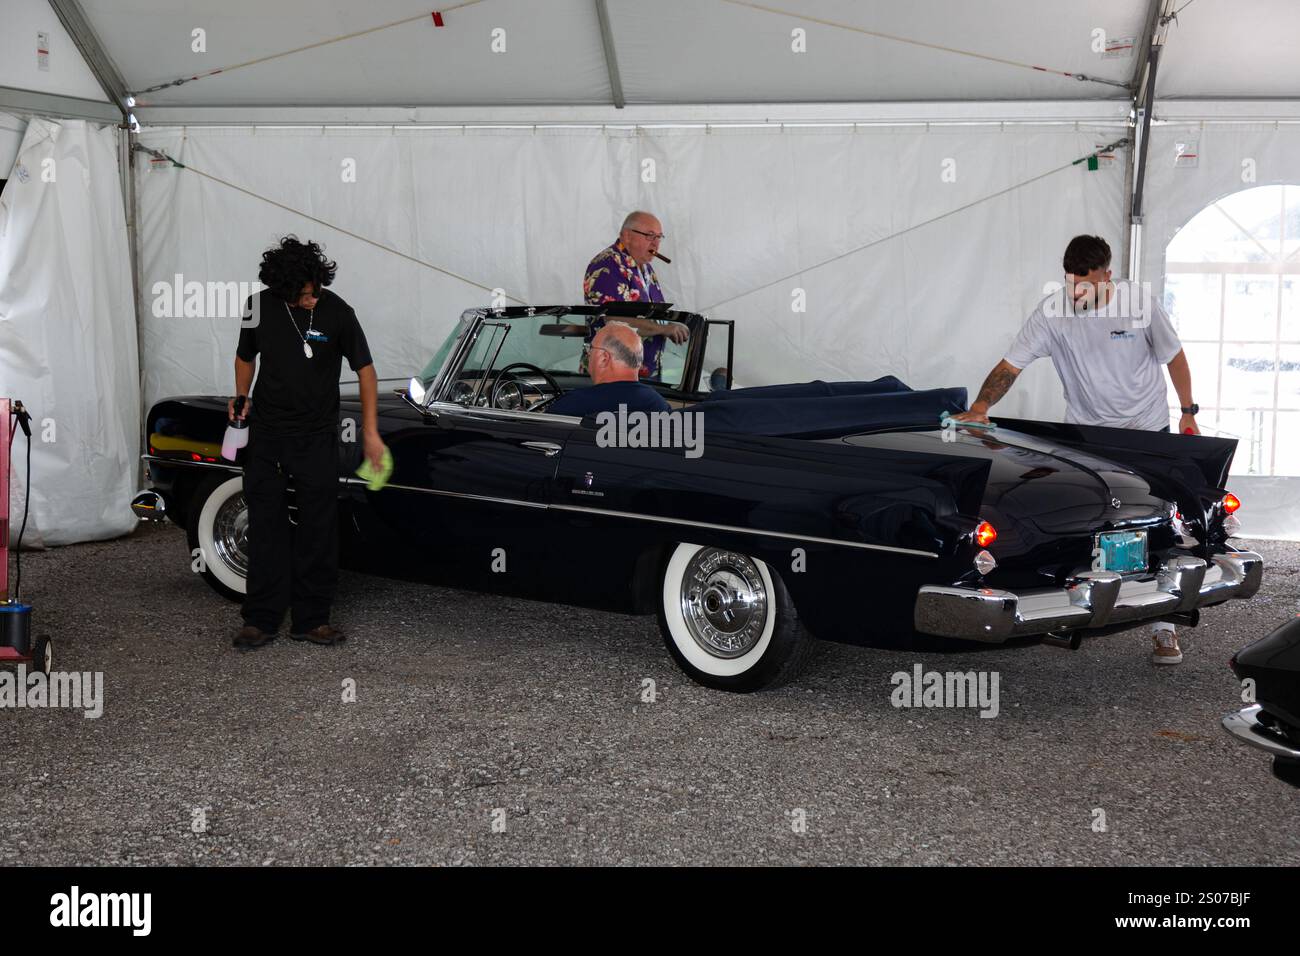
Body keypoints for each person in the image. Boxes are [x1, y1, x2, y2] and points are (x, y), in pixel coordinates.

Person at [952, 234, 1200, 666]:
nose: (1077, 293)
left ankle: (1164, 625)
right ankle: (1082, 605)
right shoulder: (1053, 312)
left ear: (1108, 275)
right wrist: (980, 407)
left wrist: (1188, 411)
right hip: (1088, 436)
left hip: (1146, 429)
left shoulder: (1139, 304)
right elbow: (1011, 365)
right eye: (1071, 283)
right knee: (1093, 523)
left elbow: (1174, 357)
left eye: (1086, 284)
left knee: (1160, 525)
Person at [228, 236, 384, 650]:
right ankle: (260, 619)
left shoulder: (338, 312)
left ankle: (312, 620)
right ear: (283, 290)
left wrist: (370, 432)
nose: (312, 298)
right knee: (266, 526)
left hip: (316, 437)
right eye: (303, 294)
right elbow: (245, 356)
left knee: (319, 527)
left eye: (316, 289)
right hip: (266, 435)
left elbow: (366, 371)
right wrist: (241, 394)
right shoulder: (258, 307)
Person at [582, 211, 690, 381]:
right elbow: (615, 319)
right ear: (627, 236)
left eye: (659, 237)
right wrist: (664, 329)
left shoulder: (646, 268)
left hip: (643, 374)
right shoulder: (608, 264)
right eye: (650, 235)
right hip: (613, 375)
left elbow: (650, 316)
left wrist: (672, 325)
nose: (655, 243)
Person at [547, 322, 672, 417]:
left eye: (591, 348)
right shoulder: (659, 405)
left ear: (604, 358)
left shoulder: (572, 405)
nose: (588, 354)